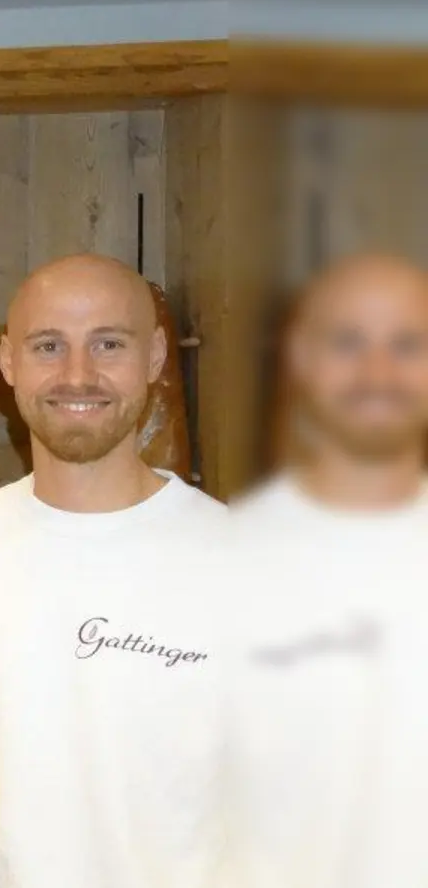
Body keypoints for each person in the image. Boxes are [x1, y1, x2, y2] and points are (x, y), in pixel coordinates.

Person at [0, 253, 227, 888]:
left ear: (154, 356)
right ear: (9, 363)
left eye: (109, 344)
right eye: (48, 346)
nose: (78, 375)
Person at [224, 253, 428, 888]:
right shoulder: (219, 564)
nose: (378, 373)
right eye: (348, 343)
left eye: (407, 344)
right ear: (300, 358)